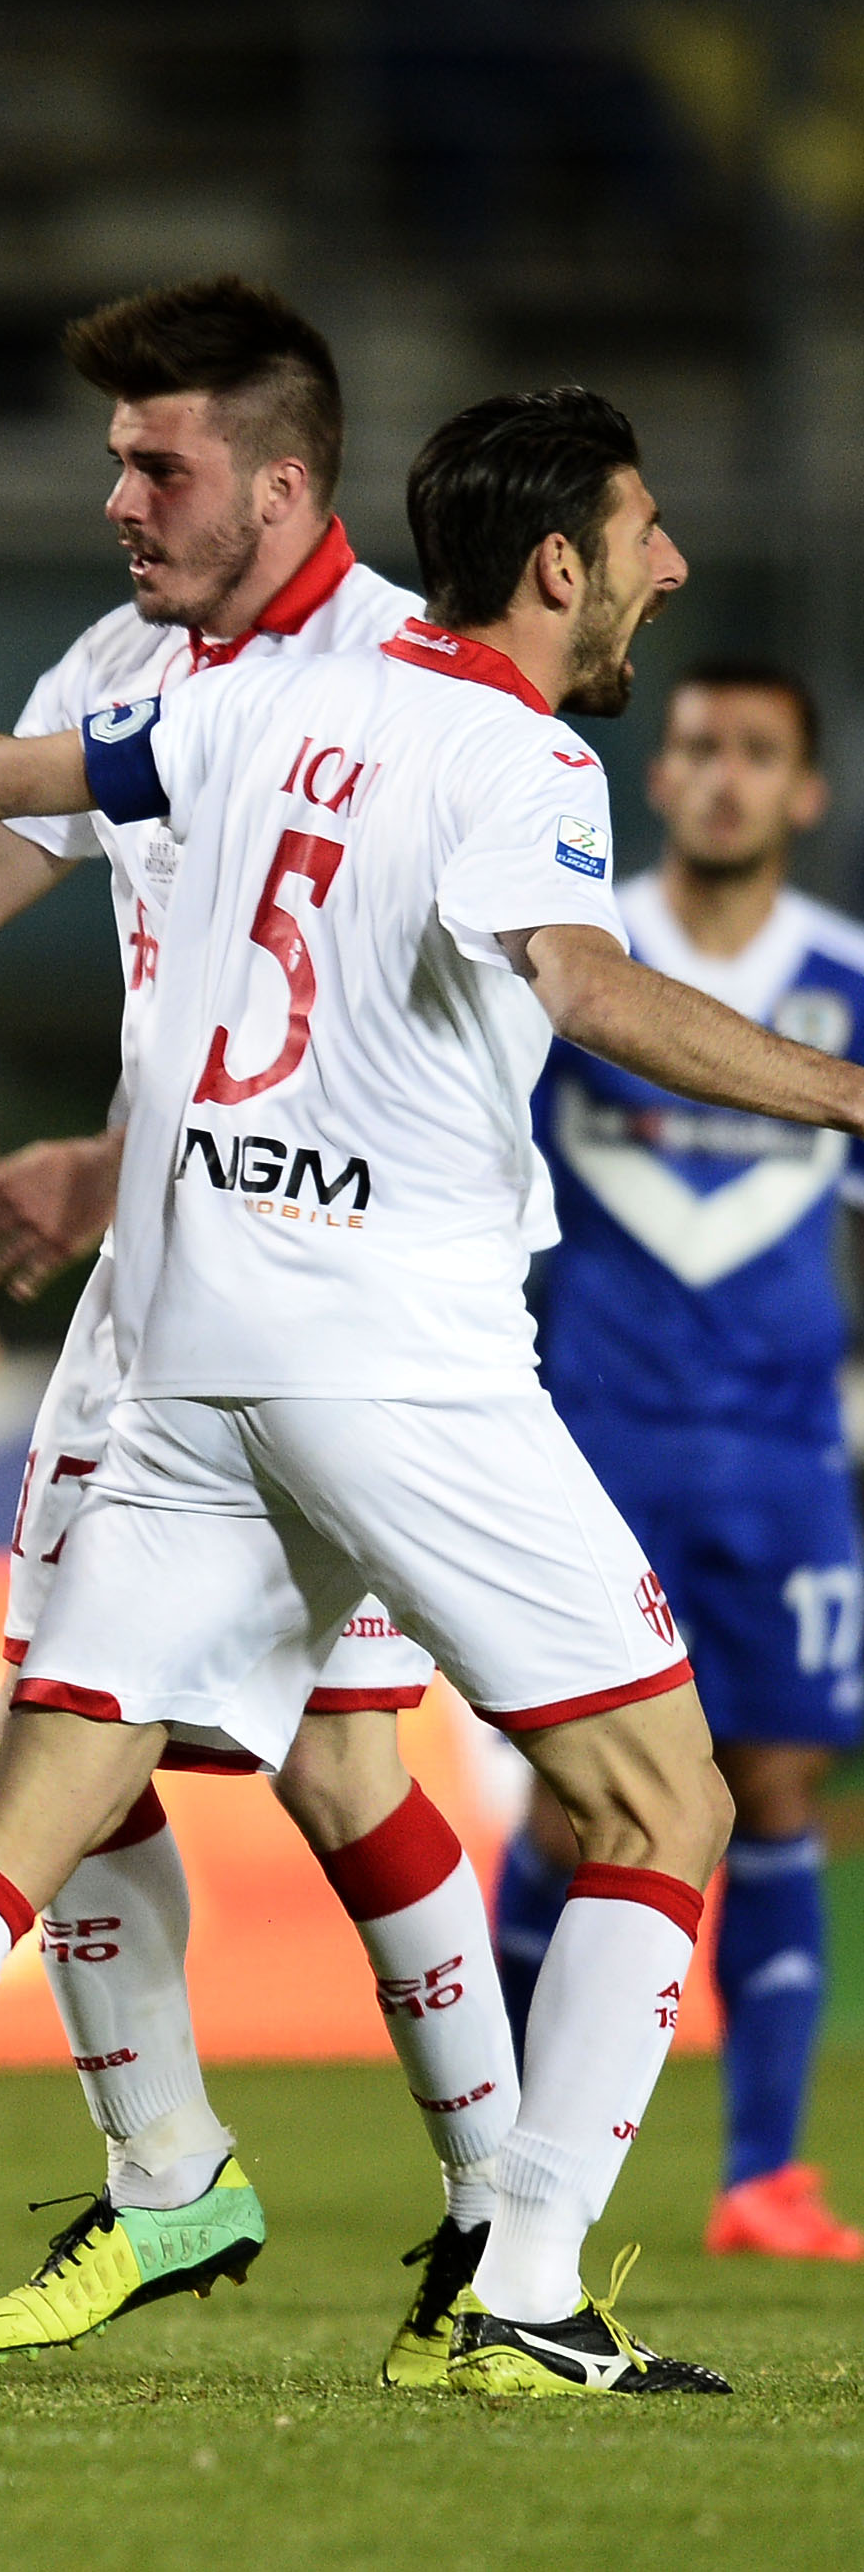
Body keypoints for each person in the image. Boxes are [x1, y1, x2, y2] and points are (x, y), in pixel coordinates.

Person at [0, 382, 838, 2402]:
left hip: (182, 1358)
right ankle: (516, 2285)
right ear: (558, 565)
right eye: (646, 531)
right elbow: (589, 996)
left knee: (30, 1812)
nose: (669, 565)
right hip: (396, 1361)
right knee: (659, 1799)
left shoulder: (242, 701)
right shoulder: (521, 750)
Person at [493, 659, 864, 2262]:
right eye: (699, 745)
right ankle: (502, 2153)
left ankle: (763, 2176)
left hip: (786, 1447)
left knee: (776, 1780)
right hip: (595, 1440)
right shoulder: (582, 956)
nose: (721, 775)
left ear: (806, 793)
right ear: (660, 776)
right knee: (581, 1805)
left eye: (756, 754)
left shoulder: (847, 982)